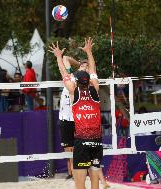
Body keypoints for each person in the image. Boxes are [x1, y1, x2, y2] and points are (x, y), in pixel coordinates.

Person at [49, 37, 102, 189]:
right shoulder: (95, 90)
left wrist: (59, 57)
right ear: (89, 81)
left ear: (76, 81)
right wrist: (89, 52)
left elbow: (64, 72)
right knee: (94, 185)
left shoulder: (74, 92)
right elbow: (92, 70)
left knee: (79, 185)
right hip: (96, 141)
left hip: (82, 142)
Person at [58, 55, 86, 180]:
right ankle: (71, 173)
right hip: (65, 117)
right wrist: (79, 62)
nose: (82, 67)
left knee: (78, 146)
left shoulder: (86, 81)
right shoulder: (71, 76)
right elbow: (65, 58)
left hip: (77, 117)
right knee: (67, 147)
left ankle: (79, 172)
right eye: (81, 66)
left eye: (85, 67)